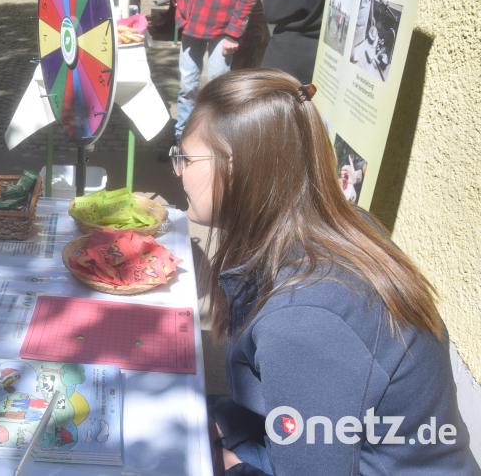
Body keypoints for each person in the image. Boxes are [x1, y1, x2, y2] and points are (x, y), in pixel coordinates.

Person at [170, 68, 479, 475]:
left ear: (233, 167)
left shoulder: (305, 318)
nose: (178, 172)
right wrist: (223, 421)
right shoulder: (336, 226)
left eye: (187, 159)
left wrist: (229, 466)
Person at [173, 0, 259, 142]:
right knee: (187, 87)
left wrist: (234, 32)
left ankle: (213, 143)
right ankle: (181, 140)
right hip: (190, 21)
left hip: (223, 28)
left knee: (217, 90)